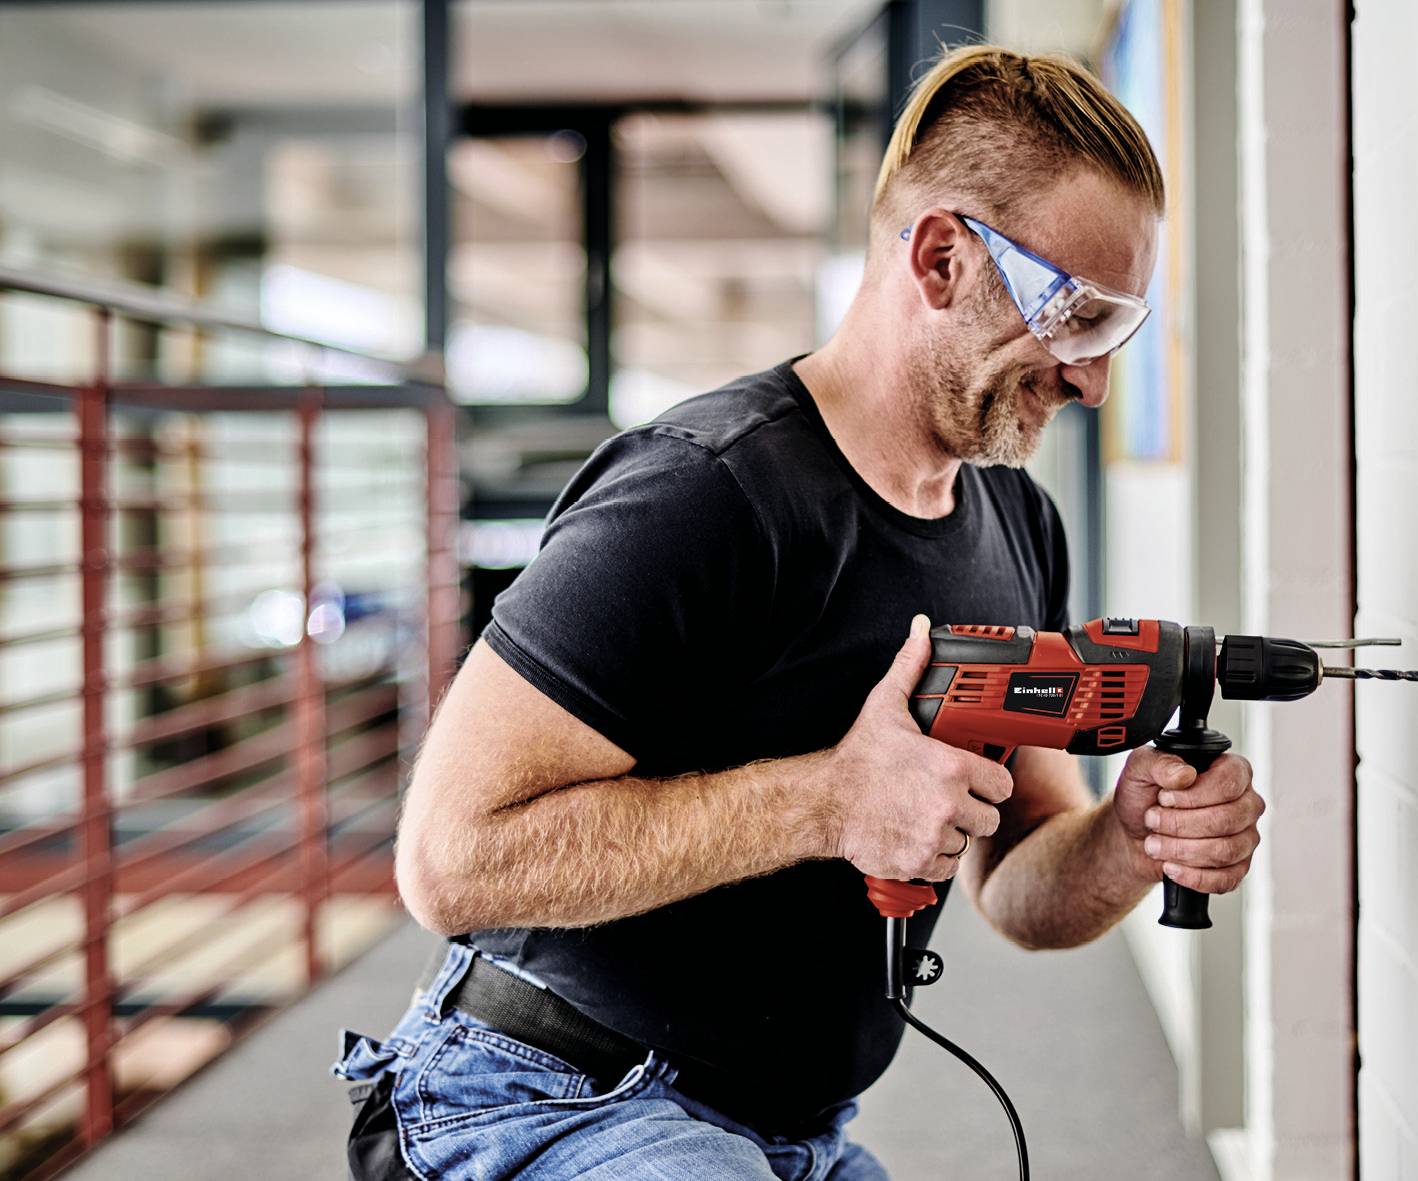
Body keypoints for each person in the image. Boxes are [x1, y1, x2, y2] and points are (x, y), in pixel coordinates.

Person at [333, 43, 1265, 1181]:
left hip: (790, 1130)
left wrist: (1126, 839)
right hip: (541, 1094)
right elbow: (447, 859)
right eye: (1072, 316)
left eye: (1116, 331)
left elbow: (1022, 883)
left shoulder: (1017, 523)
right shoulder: (703, 492)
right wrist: (828, 800)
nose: (1090, 379)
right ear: (940, 258)